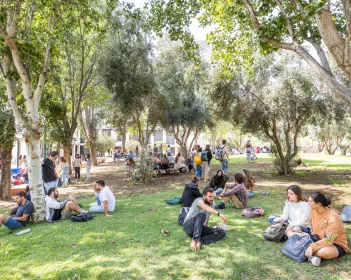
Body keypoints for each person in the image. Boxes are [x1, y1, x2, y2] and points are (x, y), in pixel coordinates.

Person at [287, 192, 349, 267]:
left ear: (319, 204)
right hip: (317, 238)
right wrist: (312, 235)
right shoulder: (313, 210)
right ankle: (312, 256)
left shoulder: (333, 217)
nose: (308, 203)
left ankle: (305, 249)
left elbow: (329, 240)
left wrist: (312, 247)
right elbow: (311, 222)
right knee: (290, 233)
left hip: (334, 244)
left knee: (323, 252)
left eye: (310, 201)